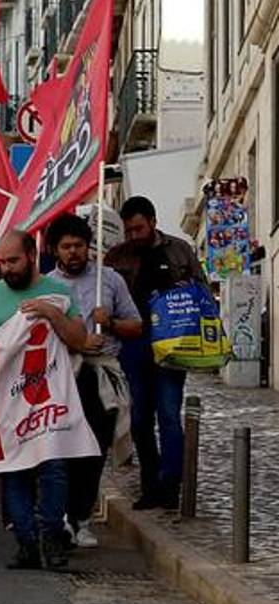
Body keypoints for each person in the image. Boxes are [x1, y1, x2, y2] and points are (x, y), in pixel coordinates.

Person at [0, 230, 89, 570]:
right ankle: (27, 542)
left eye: (13, 260)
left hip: (48, 396)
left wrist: (52, 314)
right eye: (1, 262)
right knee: (14, 471)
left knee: (54, 468)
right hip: (8, 399)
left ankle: (52, 536)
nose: (6, 268)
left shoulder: (60, 293)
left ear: (32, 254)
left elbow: (80, 339)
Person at [104, 196, 206, 510]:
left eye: (139, 228)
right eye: (129, 230)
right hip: (132, 345)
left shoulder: (180, 249)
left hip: (172, 342)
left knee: (169, 416)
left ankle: (170, 484)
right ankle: (151, 483)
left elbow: (202, 292)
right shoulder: (116, 257)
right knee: (139, 419)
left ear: (152, 221)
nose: (134, 235)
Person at [47, 213, 142, 548]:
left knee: (93, 449)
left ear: (89, 247)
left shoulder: (110, 280)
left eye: (79, 246)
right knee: (62, 450)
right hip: (62, 376)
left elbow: (136, 326)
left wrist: (111, 322)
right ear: (55, 250)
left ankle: (81, 517)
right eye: (66, 247)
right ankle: (60, 516)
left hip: (100, 374)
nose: (74, 252)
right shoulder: (46, 285)